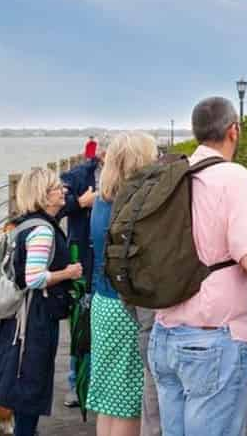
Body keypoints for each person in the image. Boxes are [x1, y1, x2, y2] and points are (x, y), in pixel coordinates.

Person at [150, 97, 247, 436]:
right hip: (213, 338)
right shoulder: (234, 178)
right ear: (233, 130)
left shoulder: (173, 176)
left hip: (164, 334)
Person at [0, 167, 83, 436]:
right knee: (31, 382)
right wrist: (68, 273)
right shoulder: (43, 231)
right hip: (34, 317)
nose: (64, 191)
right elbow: (34, 278)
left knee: (22, 380)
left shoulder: (26, 223)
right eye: (57, 188)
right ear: (44, 196)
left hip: (23, 315)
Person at [88, 132, 157, 436]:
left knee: (108, 400)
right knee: (130, 399)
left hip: (102, 303)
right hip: (125, 305)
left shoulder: (101, 202)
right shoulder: (131, 207)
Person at [59, 137, 103, 408]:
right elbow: (55, 206)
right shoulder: (77, 176)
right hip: (83, 259)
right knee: (81, 320)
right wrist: (81, 203)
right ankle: (76, 383)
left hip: (108, 260)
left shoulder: (123, 176)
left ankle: (97, 383)